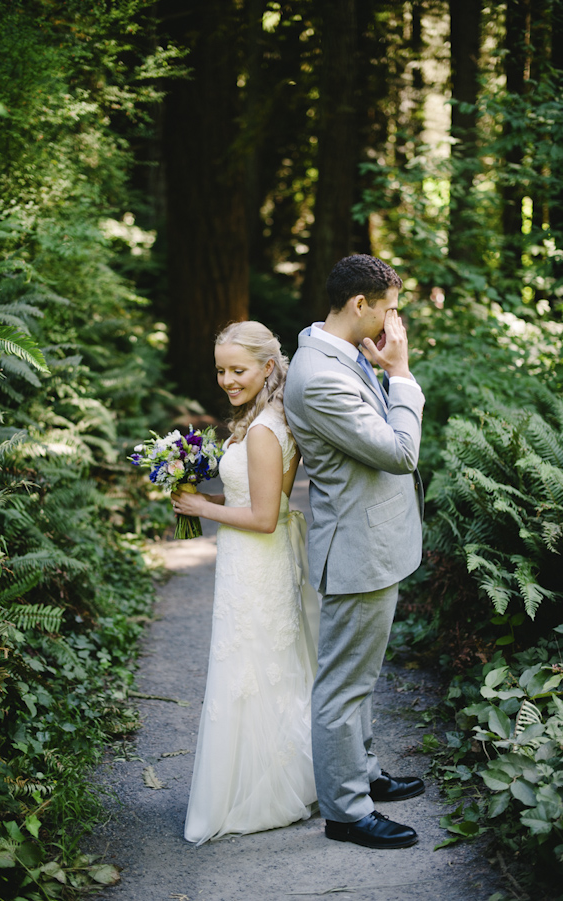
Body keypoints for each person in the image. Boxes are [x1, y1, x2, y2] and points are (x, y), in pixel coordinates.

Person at [283, 253, 425, 850]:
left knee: (360, 678)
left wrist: (385, 369)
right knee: (342, 685)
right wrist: (405, 375)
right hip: (355, 550)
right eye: (390, 310)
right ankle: (345, 811)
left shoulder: (342, 353)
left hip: (376, 541)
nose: (396, 324)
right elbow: (399, 451)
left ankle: (363, 774)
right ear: (359, 304)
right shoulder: (319, 377)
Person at [172, 320, 319, 846]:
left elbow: (261, 516)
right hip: (259, 558)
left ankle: (259, 791)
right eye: (221, 370)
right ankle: (281, 773)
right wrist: (208, 499)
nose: (228, 379)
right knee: (265, 666)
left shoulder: (260, 431)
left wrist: (199, 506)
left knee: (250, 665)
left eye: (238, 369)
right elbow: (266, 505)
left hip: (255, 558)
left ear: (267, 367)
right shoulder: (271, 416)